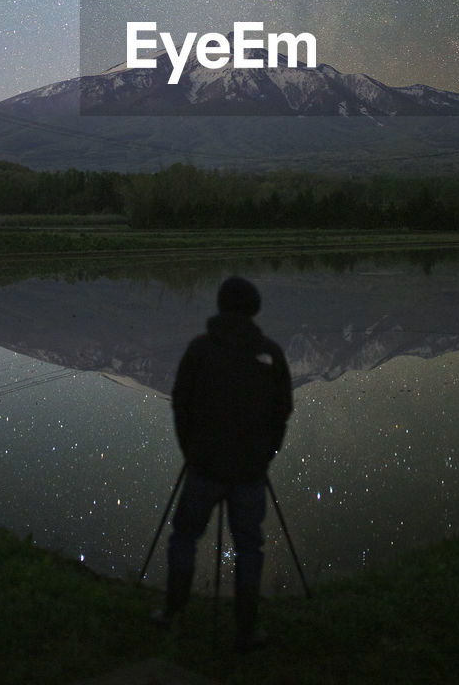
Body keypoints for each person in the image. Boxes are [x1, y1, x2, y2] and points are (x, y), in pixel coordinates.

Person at [153, 275, 293, 651]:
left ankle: (171, 612)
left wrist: (192, 450)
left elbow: (181, 404)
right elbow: (282, 413)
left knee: (184, 537)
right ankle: (246, 631)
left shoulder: (200, 350)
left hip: (203, 467)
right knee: (249, 547)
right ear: (254, 310)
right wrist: (265, 454)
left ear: (220, 307)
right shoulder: (270, 354)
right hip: (250, 471)